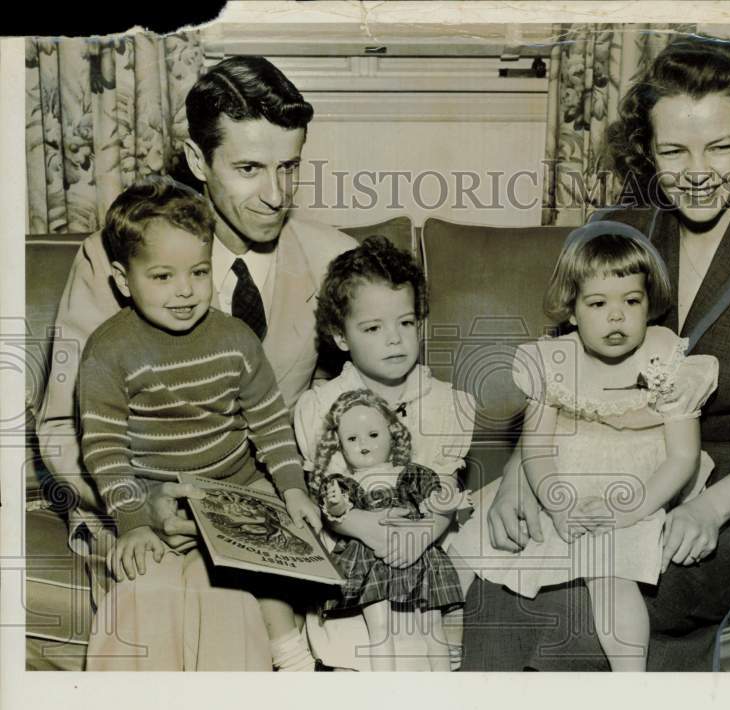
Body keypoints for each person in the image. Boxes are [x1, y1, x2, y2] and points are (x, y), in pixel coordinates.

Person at [461, 34, 730, 672]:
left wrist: (709, 507)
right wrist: (516, 483)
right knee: (498, 582)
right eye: (674, 150)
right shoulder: (614, 233)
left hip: (725, 495)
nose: (698, 172)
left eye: (720, 146)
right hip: (587, 471)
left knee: (580, 608)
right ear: (647, 149)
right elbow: (560, 380)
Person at [38, 56, 357, 670]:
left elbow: (340, 408)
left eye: (289, 167)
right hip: (134, 505)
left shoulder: (334, 257)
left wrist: (309, 494)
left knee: (236, 604)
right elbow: (60, 429)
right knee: (158, 604)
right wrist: (140, 506)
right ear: (195, 160)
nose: (275, 195)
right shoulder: (117, 259)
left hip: (253, 510)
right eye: (248, 169)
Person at [78, 178, 324, 671]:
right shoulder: (108, 349)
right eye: (162, 276)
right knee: (151, 588)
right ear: (124, 281)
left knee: (237, 595)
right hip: (153, 495)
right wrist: (132, 522)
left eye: (197, 271)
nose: (186, 290)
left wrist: (293, 490)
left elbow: (271, 424)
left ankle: (287, 657)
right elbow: (104, 450)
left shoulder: (235, 339)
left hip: (235, 489)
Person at [451, 223, 717, 671]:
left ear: (649, 303)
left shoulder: (668, 358)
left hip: (641, 482)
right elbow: (536, 449)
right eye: (598, 304)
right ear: (571, 311)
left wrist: (630, 511)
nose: (617, 317)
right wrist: (557, 504)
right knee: (465, 547)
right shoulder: (553, 361)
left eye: (632, 301)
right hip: (565, 474)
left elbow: (682, 457)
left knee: (607, 571)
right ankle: (445, 656)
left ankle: (630, 679)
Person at [294, 236, 476, 671]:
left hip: (429, 538)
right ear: (340, 335)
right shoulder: (320, 407)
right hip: (355, 538)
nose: (395, 340)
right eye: (373, 328)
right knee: (366, 644)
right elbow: (328, 494)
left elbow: (443, 490)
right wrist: (365, 528)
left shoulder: (447, 403)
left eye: (407, 323)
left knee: (422, 638)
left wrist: (424, 533)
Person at [311, 390, 465, 671]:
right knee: (379, 626)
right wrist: (334, 504)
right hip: (369, 560)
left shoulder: (410, 473)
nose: (363, 445)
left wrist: (443, 502)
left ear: (392, 435)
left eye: (373, 434)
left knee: (431, 623)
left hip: (418, 555)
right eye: (352, 439)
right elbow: (337, 514)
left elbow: (436, 498)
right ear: (339, 446)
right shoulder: (346, 482)